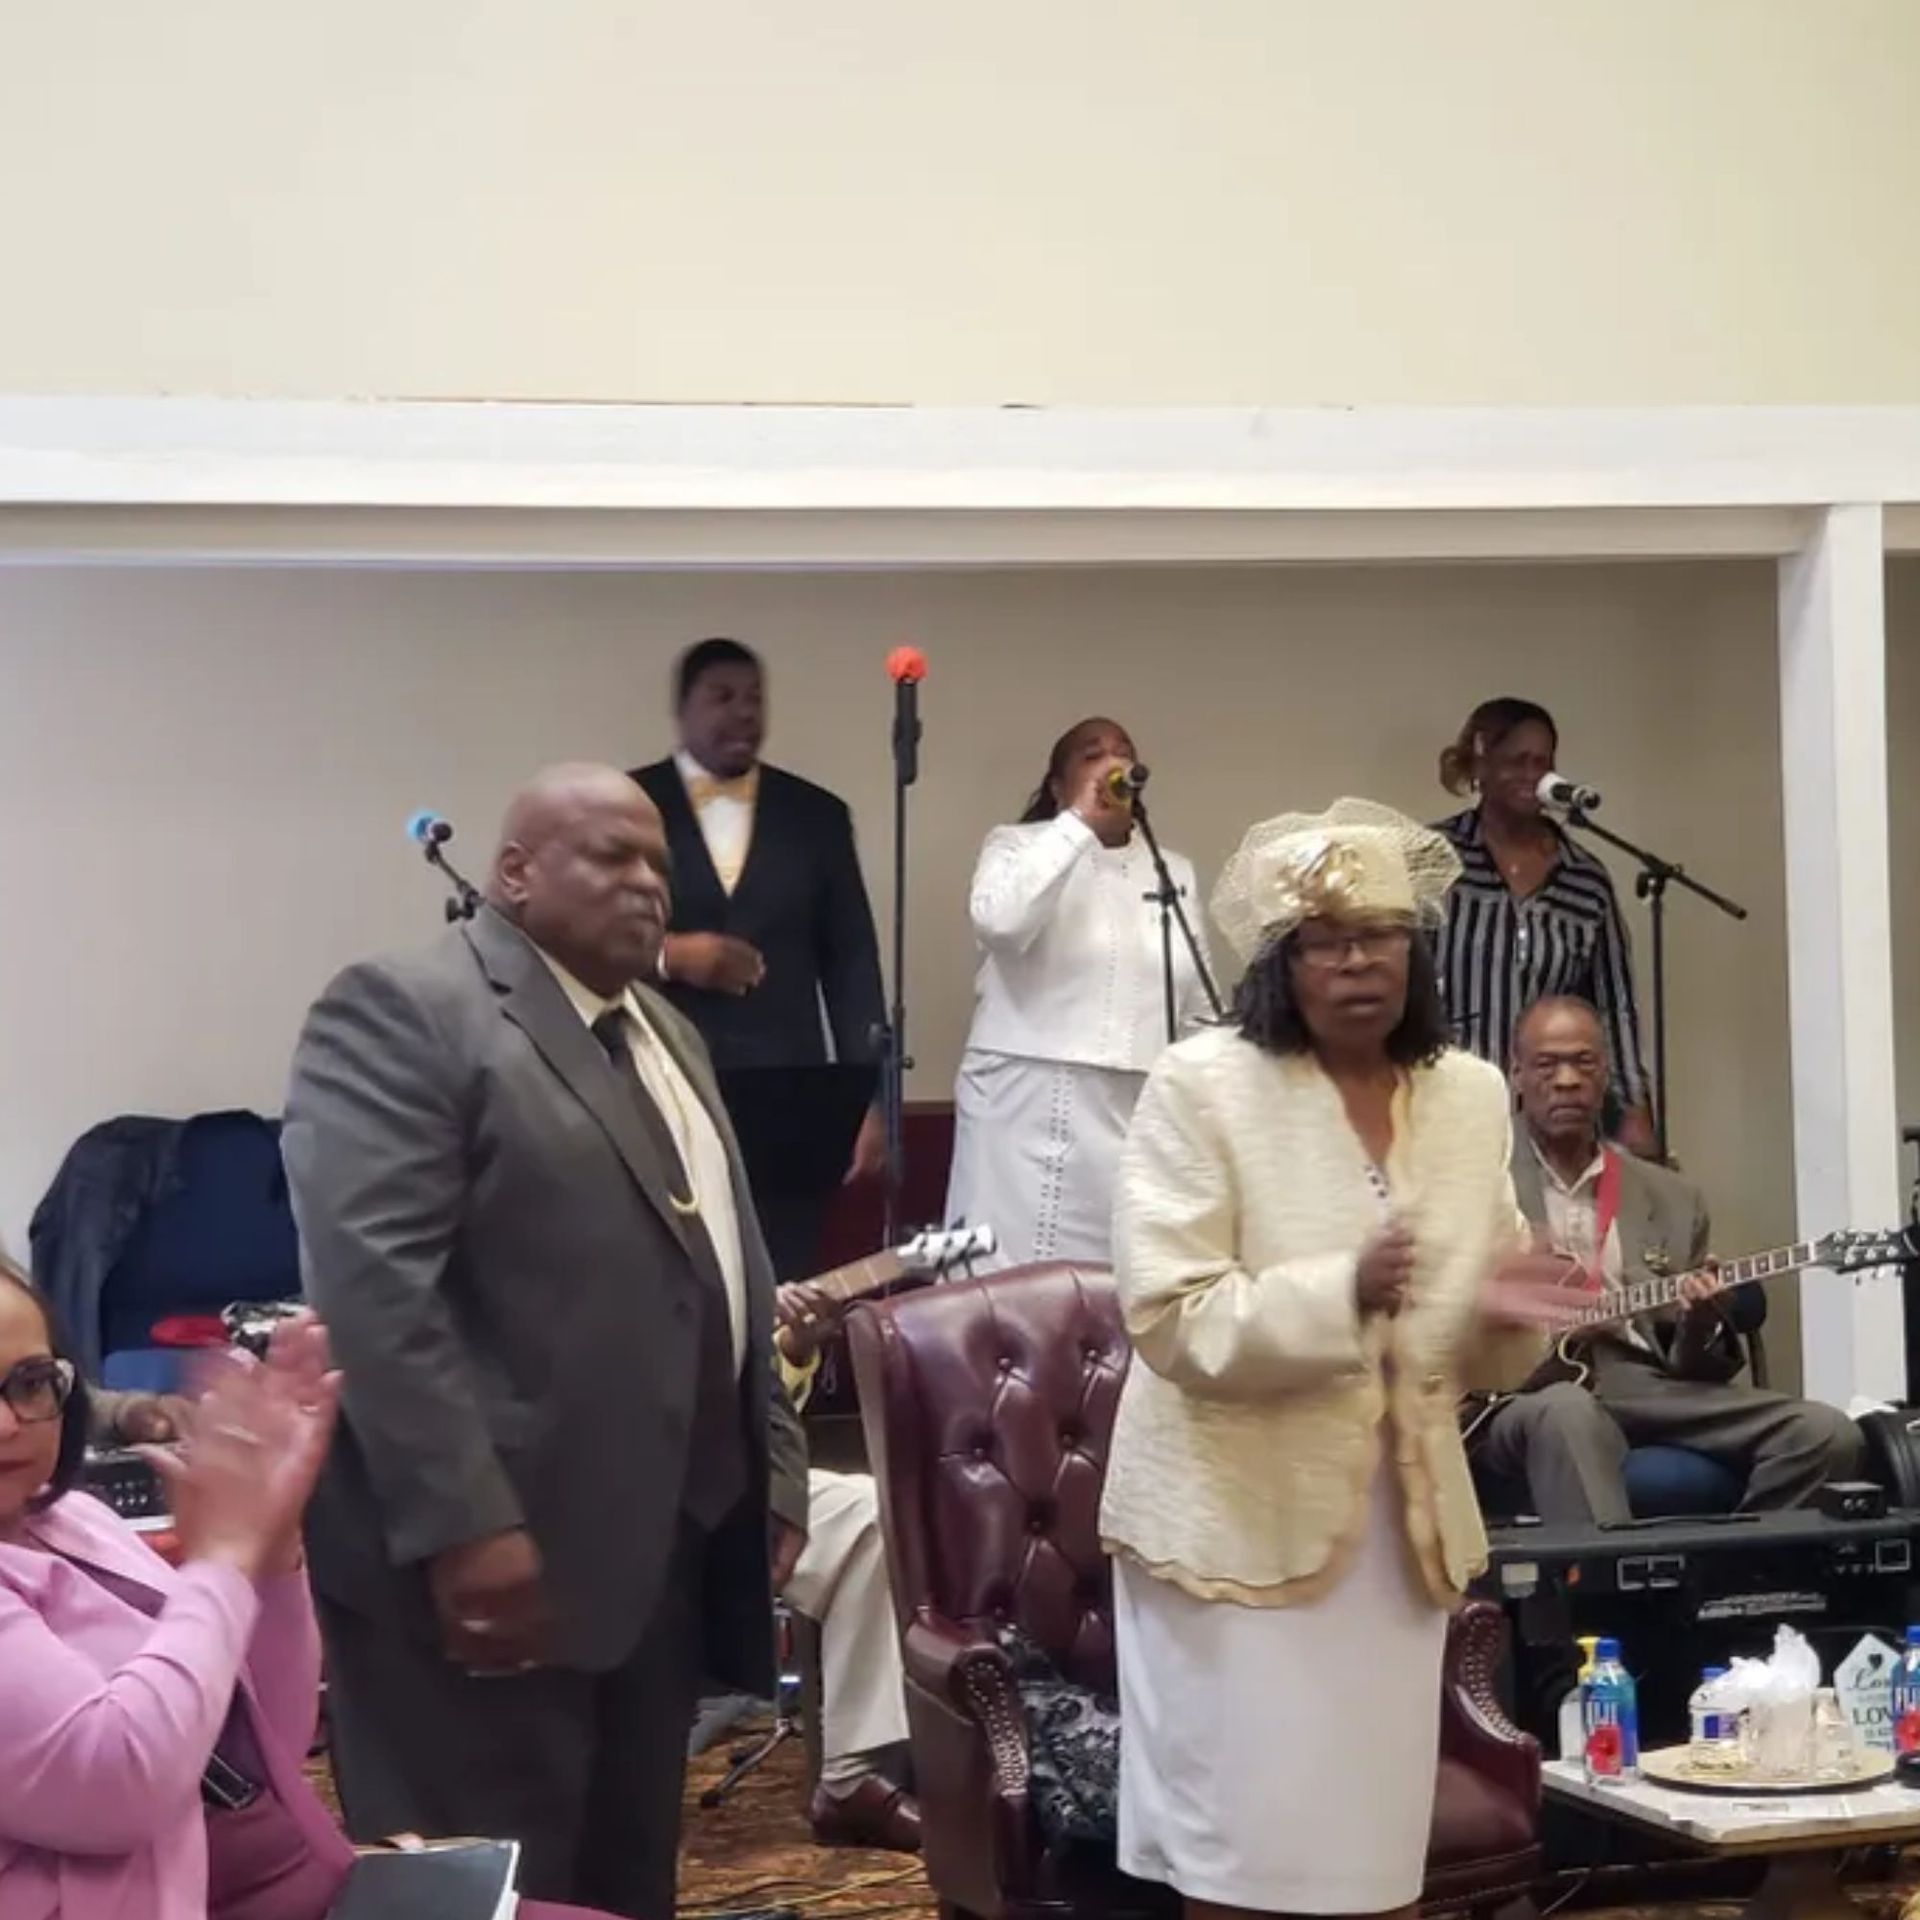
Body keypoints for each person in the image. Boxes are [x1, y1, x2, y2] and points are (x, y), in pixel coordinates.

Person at [281, 763, 809, 1919]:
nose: (647, 885)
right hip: (478, 1581)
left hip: (655, 1553)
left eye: (659, 866)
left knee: (624, 1884)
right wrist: (470, 1527)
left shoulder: (667, 1029)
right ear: (514, 872)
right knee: (490, 1888)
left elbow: (731, 1264)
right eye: (612, 856)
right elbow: (376, 1293)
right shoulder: (406, 1010)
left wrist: (769, 1463)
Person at [1098, 798, 1580, 1920]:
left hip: (1394, 1544)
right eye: (1328, 940)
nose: (1360, 961)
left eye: (1384, 935)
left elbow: (1480, 1328)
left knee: (1371, 1865)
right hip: (1229, 1531)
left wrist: (1522, 1306)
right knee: (1244, 1859)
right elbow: (1171, 1316)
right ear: (1282, 961)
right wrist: (1340, 1292)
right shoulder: (1200, 1085)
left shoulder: (1464, 1096)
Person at [1471, 996, 1864, 1524]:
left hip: (1648, 1386)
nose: (1566, 1079)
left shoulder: (1672, 1197)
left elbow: (1694, 1369)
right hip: (1527, 1388)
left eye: (1583, 1062)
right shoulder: (1477, 1177)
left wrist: (1700, 1322)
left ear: (1605, 1073)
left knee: (1825, 1432)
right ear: (1516, 1076)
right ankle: (1605, 1605)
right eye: (1547, 1064)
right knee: (1569, 1414)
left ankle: (1727, 1584)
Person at [631, 638, 888, 1279]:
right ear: (682, 710)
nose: (743, 712)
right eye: (722, 696)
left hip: (788, 1092)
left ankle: (777, 1385)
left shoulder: (817, 816)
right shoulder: (628, 806)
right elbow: (576, 940)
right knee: (671, 1270)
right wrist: (669, 956)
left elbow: (853, 964)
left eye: (754, 698)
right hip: (658, 1078)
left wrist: (871, 1098)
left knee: (785, 1276)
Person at [945, 716, 1211, 1270]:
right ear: (1058, 785)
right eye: (1092, 755)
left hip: (1134, 1105)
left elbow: (1196, 1007)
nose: (1112, 763)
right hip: (1025, 1096)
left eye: (1123, 753)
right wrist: (1076, 824)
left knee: (1114, 1277)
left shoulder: (1172, 869)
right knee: (1005, 1273)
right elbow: (1001, 923)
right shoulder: (1017, 845)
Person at [1430, 697, 1657, 1158]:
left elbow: (1615, 1006)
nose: (1532, 775)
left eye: (1543, 762)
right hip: (1451, 1108)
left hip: (1554, 1120)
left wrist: (1634, 1109)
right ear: (1481, 761)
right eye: (1517, 760)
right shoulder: (1436, 860)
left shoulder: (1583, 878)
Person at [774, 1278, 918, 1853]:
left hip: (735, 1471)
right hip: (635, 1480)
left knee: (875, 1511)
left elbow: (753, 1403)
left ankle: (853, 1776)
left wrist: (790, 1349)